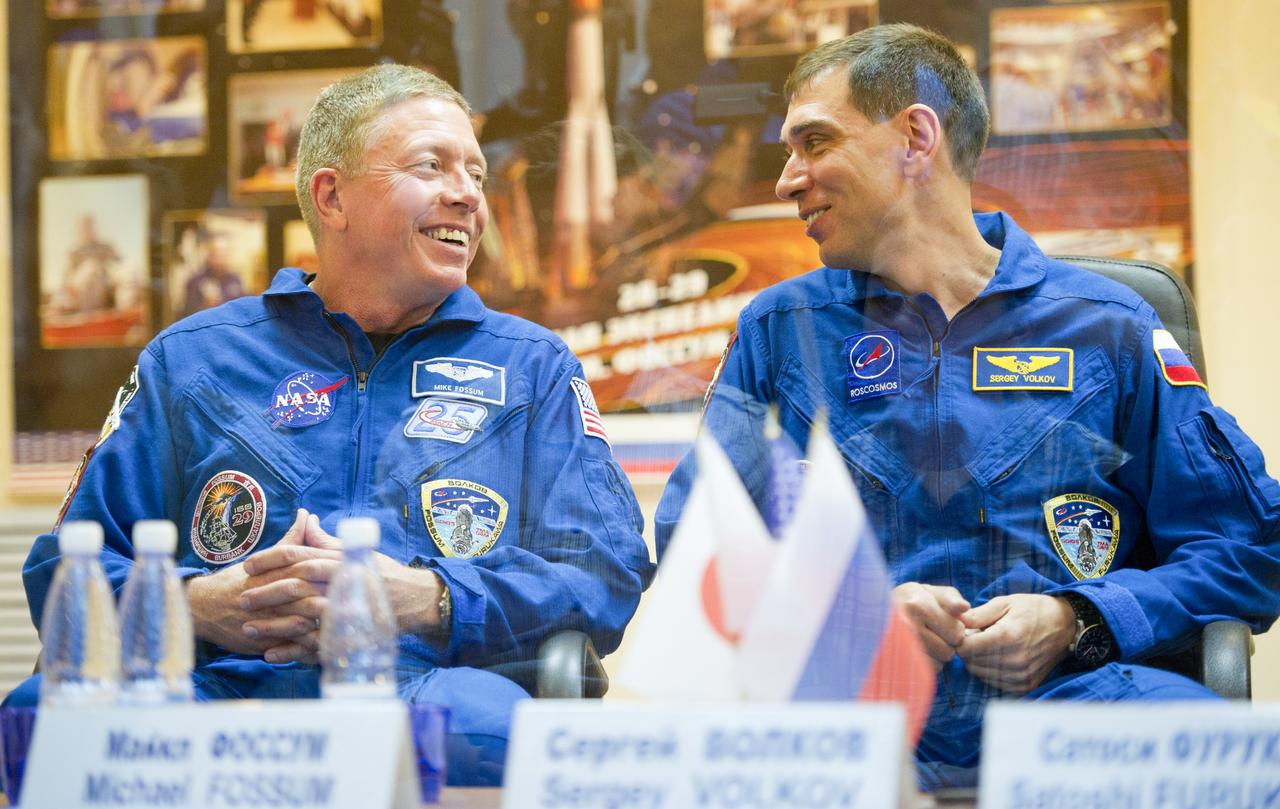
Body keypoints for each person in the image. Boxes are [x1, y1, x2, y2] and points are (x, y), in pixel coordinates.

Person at [655, 24, 1280, 787]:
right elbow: (698, 552)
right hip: (850, 720)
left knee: (1246, 774)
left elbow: (1248, 548)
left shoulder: (1108, 327)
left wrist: (1080, 616)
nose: (788, 179)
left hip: (1073, 708)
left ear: (917, 137)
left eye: (814, 143)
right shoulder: (780, 332)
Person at [16, 64, 655, 787]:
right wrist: (196, 605)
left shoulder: (532, 366)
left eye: (474, 171)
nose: (469, 193)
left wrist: (433, 599)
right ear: (331, 196)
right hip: (213, 690)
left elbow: (606, 569)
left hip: (426, 686)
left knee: (507, 735)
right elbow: (59, 568)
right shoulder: (192, 358)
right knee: (42, 721)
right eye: (431, 165)